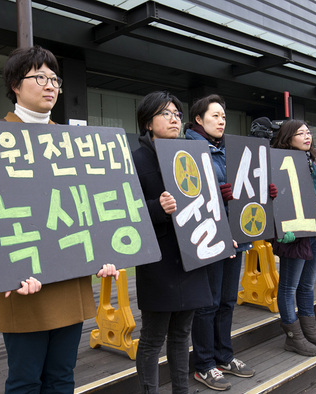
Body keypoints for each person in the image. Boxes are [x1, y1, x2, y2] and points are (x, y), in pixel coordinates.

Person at [0, 45, 119, 394]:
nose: (50, 85)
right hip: (23, 282)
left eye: (54, 79)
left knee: (63, 376)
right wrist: (5, 270)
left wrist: (102, 251)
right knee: (25, 380)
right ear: (16, 85)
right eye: (39, 77)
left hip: (69, 275)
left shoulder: (71, 142)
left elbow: (88, 206)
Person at [184, 96, 278, 391]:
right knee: (208, 304)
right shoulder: (188, 149)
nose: (222, 120)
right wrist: (214, 193)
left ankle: (224, 356)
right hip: (209, 239)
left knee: (226, 301)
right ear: (199, 119)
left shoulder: (231, 150)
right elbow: (188, 193)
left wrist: (263, 191)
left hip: (236, 239)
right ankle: (204, 364)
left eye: (224, 115)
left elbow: (245, 187)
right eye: (215, 115)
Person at [132, 91, 213, 394]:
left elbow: (207, 203)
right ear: (148, 123)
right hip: (159, 262)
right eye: (165, 113)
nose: (174, 118)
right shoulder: (137, 159)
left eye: (177, 113)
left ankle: (182, 389)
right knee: (153, 337)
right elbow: (126, 211)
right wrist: (156, 208)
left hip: (192, 254)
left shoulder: (192, 153)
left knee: (182, 334)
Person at [271, 119, 316, 357]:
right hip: (295, 232)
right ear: (288, 138)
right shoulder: (277, 161)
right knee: (289, 286)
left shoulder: (314, 161)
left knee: (307, 285)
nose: (307, 136)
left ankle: (310, 331)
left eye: (308, 132)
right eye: (301, 133)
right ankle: (293, 337)